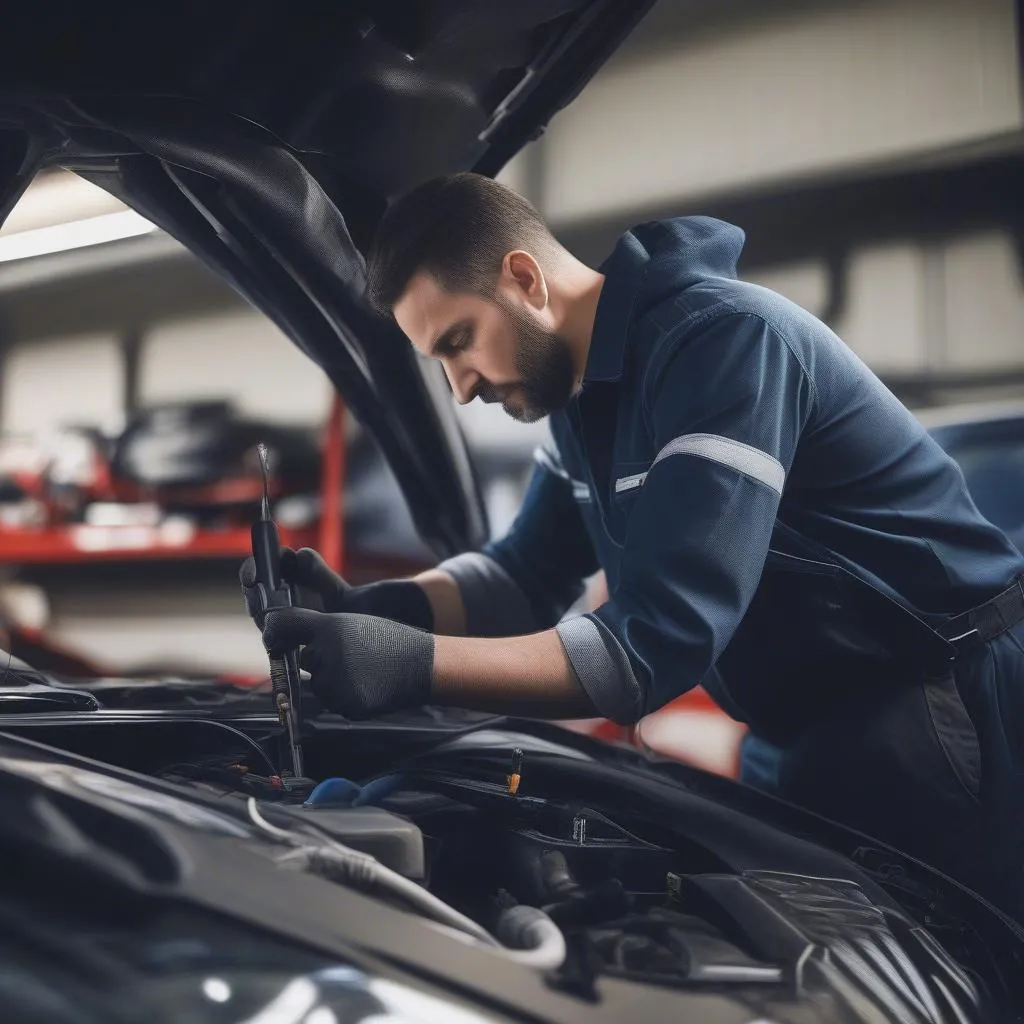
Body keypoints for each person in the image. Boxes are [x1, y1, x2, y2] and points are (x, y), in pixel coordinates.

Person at [242, 172, 1024, 921]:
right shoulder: (583, 403)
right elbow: (523, 572)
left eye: (459, 342)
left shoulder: (725, 345)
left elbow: (654, 640)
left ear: (524, 279)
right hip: (795, 726)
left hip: (934, 708)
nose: (460, 388)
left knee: (955, 980)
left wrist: (409, 662)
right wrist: (378, 608)